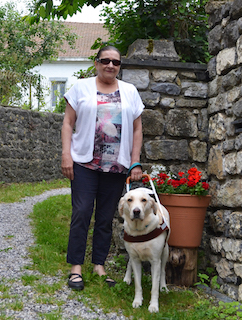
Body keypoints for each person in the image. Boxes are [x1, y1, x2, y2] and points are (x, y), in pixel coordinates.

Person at [60, 46, 144, 290]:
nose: (110, 65)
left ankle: (99, 265)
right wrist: (66, 155)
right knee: (82, 212)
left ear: (119, 66)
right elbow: (68, 123)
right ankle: (76, 266)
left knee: (106, 218)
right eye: (105, 60)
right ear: (96, 63)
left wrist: (135, 160)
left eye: (115, 62)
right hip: (84, 163)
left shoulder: (130, 91)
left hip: (116, 166)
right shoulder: (81, 88)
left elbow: (137, 128)